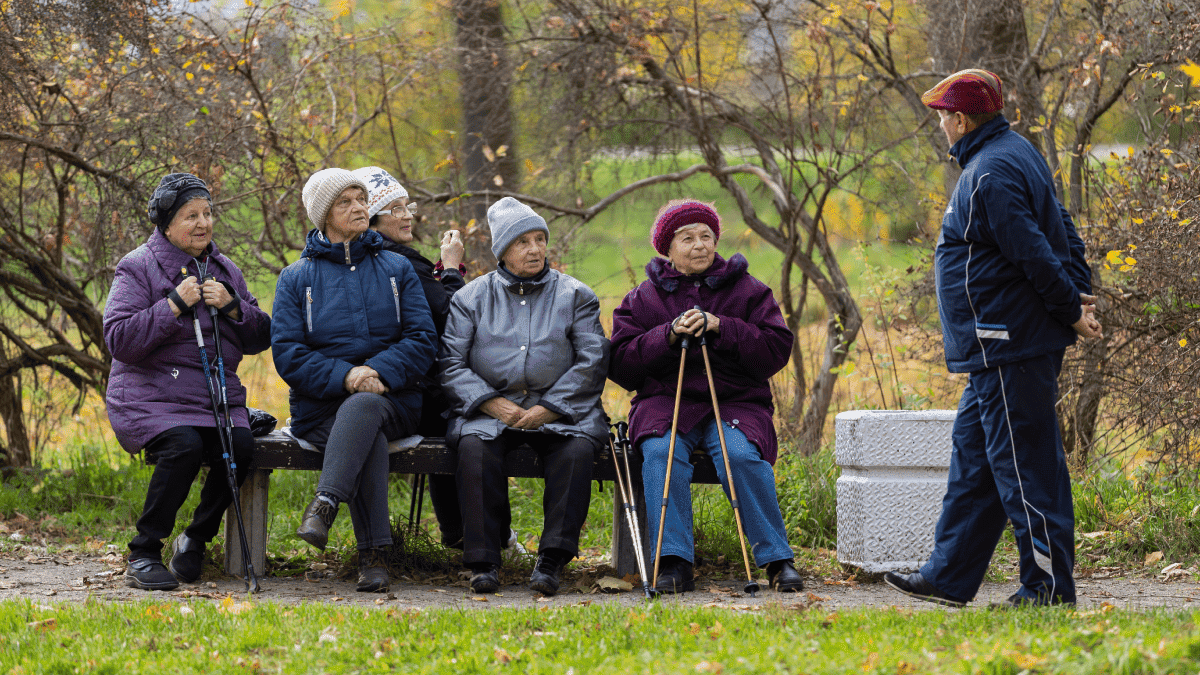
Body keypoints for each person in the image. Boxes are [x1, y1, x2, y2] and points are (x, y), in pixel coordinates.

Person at [884, 70, 1102, 608]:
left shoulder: (989, 172)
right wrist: (1077, 290)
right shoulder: (1011, 151)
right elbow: (1062, 224)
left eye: (941, 118)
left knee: (1026, 469)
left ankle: (1048, 590)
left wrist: (1072, 306)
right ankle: (948, 576)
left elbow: (1032, 248)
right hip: (995, 350)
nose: (941, 126)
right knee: (976, 463)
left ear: (959, 119)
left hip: (1007, 344)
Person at [609, 199, 805, 594]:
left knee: (739, 455)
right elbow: (620, 364)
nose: (699, 245)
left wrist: (723, 327)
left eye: (706, 237)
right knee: (661, 454)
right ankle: (674, 561)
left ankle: (776, 559)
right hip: (666, 402)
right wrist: (666, 336)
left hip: (736, 403)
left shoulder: (748, 290)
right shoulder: (643, 298)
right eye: (687, 238)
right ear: (667, 247)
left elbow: (774, 351)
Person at [272, 168, 436, 593]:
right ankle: (373, 557)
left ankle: (326, 503)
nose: (359, 207)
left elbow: (422, 339)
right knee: (366, 431)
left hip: (393, 399)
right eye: (345, 202)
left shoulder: (397, 268)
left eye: (361, 199)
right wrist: (346, 376)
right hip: (320, 407)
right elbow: (288, 354)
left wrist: (377, 372)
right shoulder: (296, 279)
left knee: (365, 410)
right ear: (323, 215)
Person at [105, 172, 272, 591]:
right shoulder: (137, 266)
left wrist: (235, 308)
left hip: (213, 398)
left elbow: (261, 336)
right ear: (165, 225)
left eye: (207, 213)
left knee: (240, 444)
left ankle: (194, 541)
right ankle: (144, 551)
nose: (203, 223)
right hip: (151, 396)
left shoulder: (225, 270)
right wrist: (174, 304)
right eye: (190, 216)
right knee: (184, 445)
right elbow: (119, 339)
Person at [440, 197, 609, 596]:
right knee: (475, 449)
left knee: (576, 452)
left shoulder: (575, 295)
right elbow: (450, 363)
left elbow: (592, 359)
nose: (534, 249)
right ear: (502, 251)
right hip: (488, 409)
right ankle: (483, 562)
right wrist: (489, 402)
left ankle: (551, 560)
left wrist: (548, 408)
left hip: (562, 412)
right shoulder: (471, 298)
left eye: (539, 239)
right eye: (522, 242)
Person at [351, 166, 468, 549]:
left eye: (407, 206)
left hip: (392, 384)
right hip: (407, 390)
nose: (407, 216)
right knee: (466, 421)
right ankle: (473, 535)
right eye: (395, 209)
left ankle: (461, 533)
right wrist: (451, 269)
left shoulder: (374, 257)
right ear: (371, 219)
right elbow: (451, 313)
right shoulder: (398, 262)